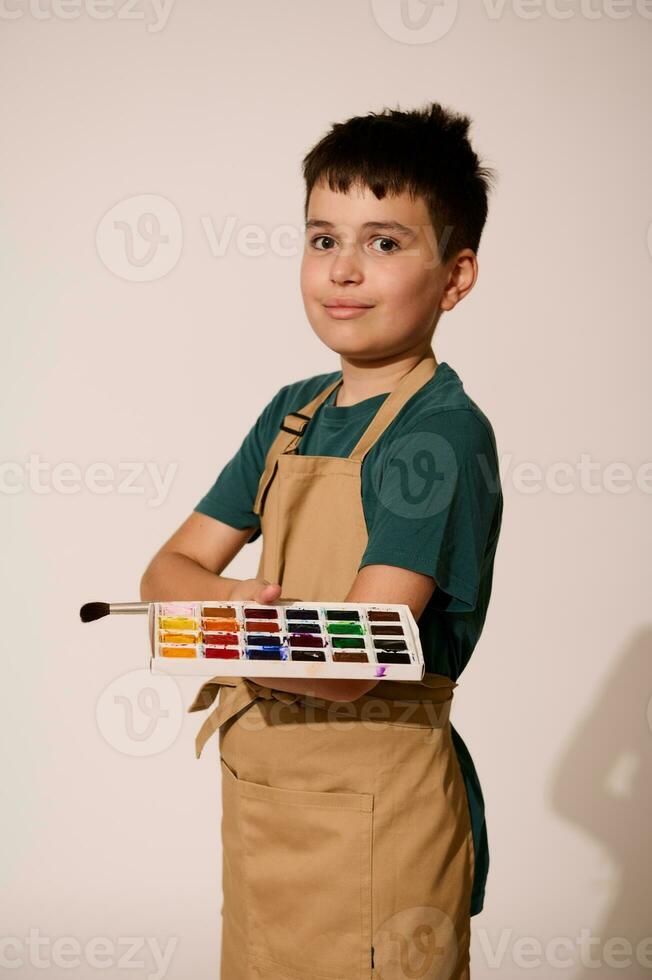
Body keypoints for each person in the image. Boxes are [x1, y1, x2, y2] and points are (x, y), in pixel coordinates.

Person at [140, 101, 503, 980]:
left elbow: (354, 660)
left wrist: (206, 626)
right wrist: (235, 608)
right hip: (269, 800)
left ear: (455, 277)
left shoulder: (437, 435)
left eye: (383, 243)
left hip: (377, 815)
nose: (343, 271)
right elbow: (160, 574)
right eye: (321, 239)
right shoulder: (292, 416)